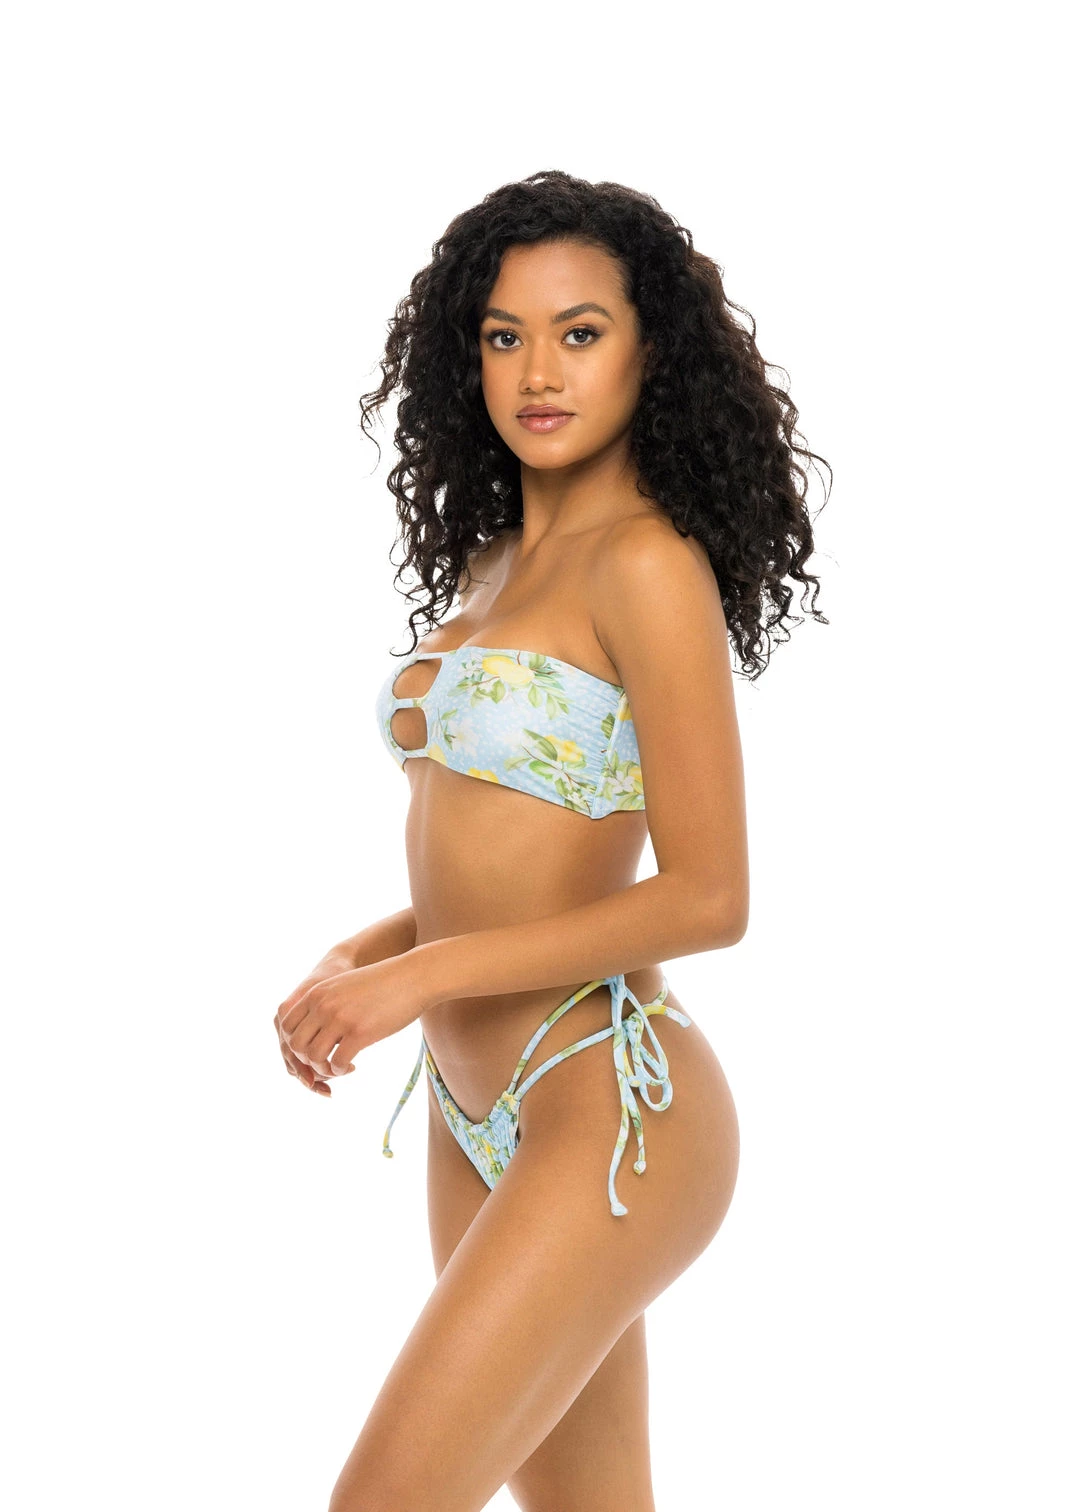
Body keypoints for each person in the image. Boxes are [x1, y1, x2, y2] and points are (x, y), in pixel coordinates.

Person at [274, 169, 830, 1512]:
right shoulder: (487, 568)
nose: (538, 371)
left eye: (581, 332)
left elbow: (709, 896)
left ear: (651, 351)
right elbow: (505, 862)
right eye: (504, 335)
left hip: (609, 1102)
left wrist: (419, 978)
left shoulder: (647, 565)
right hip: (474, 1110)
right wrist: (366, 954)